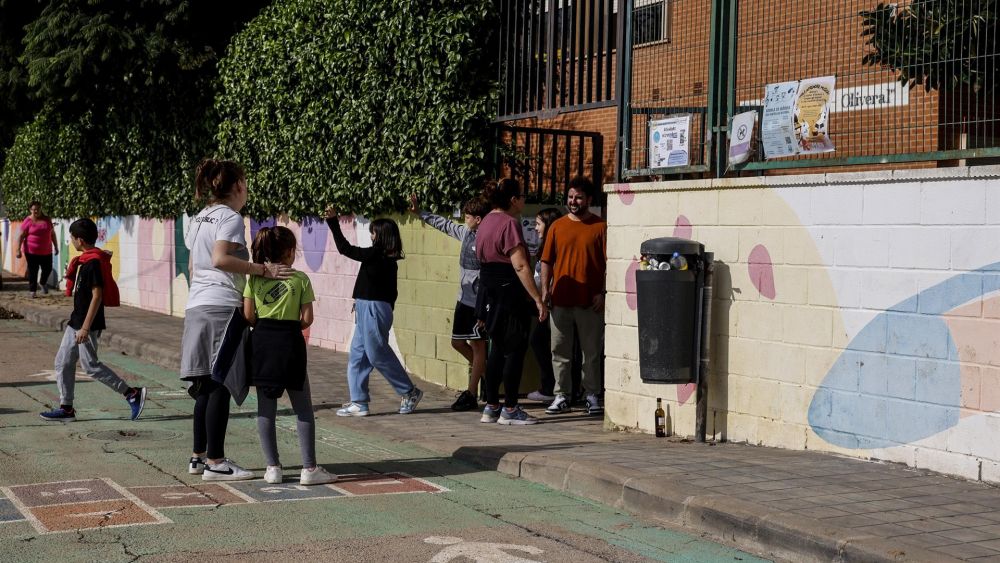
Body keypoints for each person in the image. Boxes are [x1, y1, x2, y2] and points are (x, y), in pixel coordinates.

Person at [181, 158, 293, 482]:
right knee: (220, 383)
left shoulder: (199, 218)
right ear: (238, 186)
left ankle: (198, 456)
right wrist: (263, 269)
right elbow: (220, 259)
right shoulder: (230, 217)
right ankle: (217, 462)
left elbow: (194, 266)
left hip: (197, 306)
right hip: (221, 307)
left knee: (204, 382)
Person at [243, 226, 337, 486]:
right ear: (288, 252)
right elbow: (307, 318)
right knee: (303, 408)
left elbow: (248, 315)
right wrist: (291, 325)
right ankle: (309, 468)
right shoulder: (300, 279)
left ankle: (272, 467)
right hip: (290, 342)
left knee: (265, 408)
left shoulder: (255, 279)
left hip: (262, 343)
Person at [39, 218, 146, 422]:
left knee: (91, 366)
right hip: (76, 321)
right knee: (63, 362)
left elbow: (97, 296)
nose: (70, 240)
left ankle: (131, 394)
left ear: (80, 239)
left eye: (71, 237)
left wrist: (86, 328)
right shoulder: (86, 260)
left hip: (86, 324)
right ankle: (66, 408)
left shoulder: (93, 263)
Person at [324, 206, 423, 417]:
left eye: (374, 232)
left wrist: (333, 222)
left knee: (377, 354)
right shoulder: (383, 257)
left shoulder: (378, 255)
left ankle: (409, 391)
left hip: (373, 309)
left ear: (381, 236)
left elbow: (345, 248)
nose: (371, 235)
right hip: (364, 306)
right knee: (358, 356)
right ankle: (359, 402)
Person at [475, 178, 547, 425]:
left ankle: (492, 406)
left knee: (497, 348)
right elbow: (519, 264)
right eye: (522, 196)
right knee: (515, 349)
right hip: (509, 291)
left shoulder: (484, 221)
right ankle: (511, 408)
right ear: (513, 200)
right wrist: (537, 299)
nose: (524, 201)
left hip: (490, 291)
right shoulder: (509, 224)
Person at [409, 194, 490, 411]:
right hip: (463, 298)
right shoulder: (465, 233)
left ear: (479, 219)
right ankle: (489, 375)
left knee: (478, 344)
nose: (464, 220)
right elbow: (444, 225)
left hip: (478, 302)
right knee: (457, 342)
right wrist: (420, 213)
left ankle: (472, 392)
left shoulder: (486, 239)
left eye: (468, 217)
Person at [541, 176, 607, 416]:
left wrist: (603, 292)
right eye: (570, 197)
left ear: (588, 199)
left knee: (590, 353)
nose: (573, 201)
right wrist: (545, 291)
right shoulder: (557, 226)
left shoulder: (600, 227)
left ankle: (591, 395)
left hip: (591, 302)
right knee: (559, 351)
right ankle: (561, 396)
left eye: (578, 197)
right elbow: (546, 260)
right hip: (560, 300)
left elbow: (611, 263)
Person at [526, 207, 581, 404]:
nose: (535, 228)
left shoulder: (556, 246)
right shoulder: (544, 245)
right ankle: (558, 388)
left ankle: (555, 388)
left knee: (554, 345)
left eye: (539, 224)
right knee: (550, 344)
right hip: (548, 303)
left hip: (555, 304)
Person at [16, 201, 59, 298]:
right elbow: (21, 236)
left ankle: (43, 283)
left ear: (41, 209)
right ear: (30, 210)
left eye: (38, 209)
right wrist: (18, 250)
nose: (36, 211)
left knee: (47, 269)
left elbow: (52, 234)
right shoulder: (28, 220)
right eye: (34, 209)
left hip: (46, 251)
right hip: (31, 251)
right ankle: (33, 290)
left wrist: (56, 246)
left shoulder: (47, 219)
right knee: (33, 270)